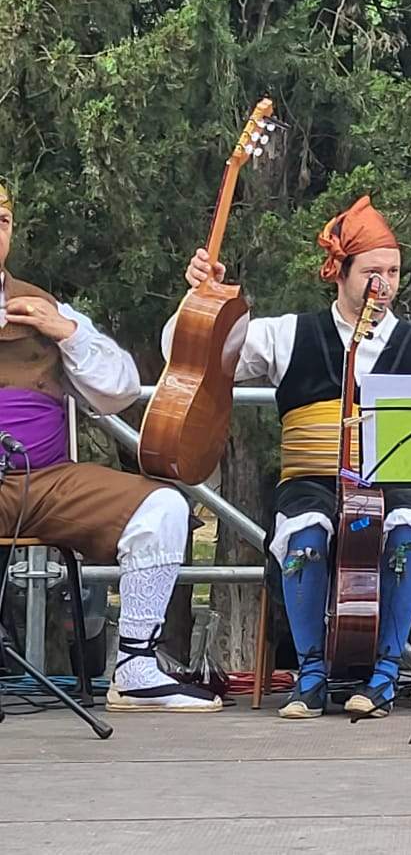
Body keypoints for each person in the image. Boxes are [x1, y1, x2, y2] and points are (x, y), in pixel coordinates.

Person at [170, 196, 411, 719]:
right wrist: (200, 300)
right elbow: (186, 349)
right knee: (305, 530)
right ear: (337, 272)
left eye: (392, 272)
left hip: (390, 480)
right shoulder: (287, 334)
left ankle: (386, 675)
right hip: (311, 478)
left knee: (410, 530)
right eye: (371, 272)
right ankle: (311, 672)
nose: (383, 285)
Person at [0, 183, 220, 712]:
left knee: (163, 506)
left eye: (3, 219)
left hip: (43, 480)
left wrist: (68, 332)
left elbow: (119, 388)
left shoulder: (44, 307)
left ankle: (138, 669)